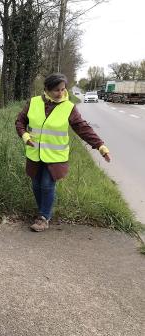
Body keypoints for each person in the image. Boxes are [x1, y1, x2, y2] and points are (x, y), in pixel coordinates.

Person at [15, 73, 111, 232]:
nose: (60, 93)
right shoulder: (33, 103)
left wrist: (100, 146)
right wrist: (25, 136)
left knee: (47, 185)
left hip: (55, 157)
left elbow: (83, 128)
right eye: (56, 90)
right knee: (36, 185)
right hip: (34, 153)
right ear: (46, 89)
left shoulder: (69, 107)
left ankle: (44, 217)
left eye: (63, 89)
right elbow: (20, 121)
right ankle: (43, 211)